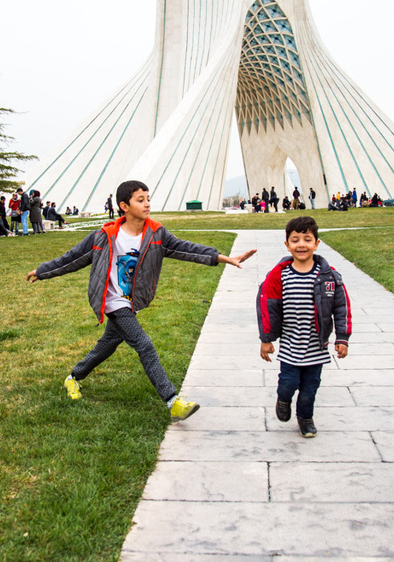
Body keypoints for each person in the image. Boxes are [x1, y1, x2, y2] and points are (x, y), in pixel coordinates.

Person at [27, 180, 256, 422]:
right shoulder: (104, 236)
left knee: (107, 345)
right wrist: (43, 271)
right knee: (144, 345)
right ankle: (172, 401)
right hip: (113, 301)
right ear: (124, 206)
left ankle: (73, 377)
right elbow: (72, 258)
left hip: (131, 302)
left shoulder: (156, 234)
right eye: (140, 200)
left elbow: (186, 249)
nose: (147, 204)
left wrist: (223, 258)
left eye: (148, 198)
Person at [257, 216, 351, 438]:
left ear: (316, 244)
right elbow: (266, 307)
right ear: (287, 244)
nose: (301, 244)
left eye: (307, 239)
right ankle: (283, 399)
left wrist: (342, 337)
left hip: (316, 347)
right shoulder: (279, 275)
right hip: (290, 345)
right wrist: (266, 339)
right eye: (295, 240)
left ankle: (305, 418)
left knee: (310, 388)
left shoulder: (329, 277)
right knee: (288, 383)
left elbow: (342, 307)